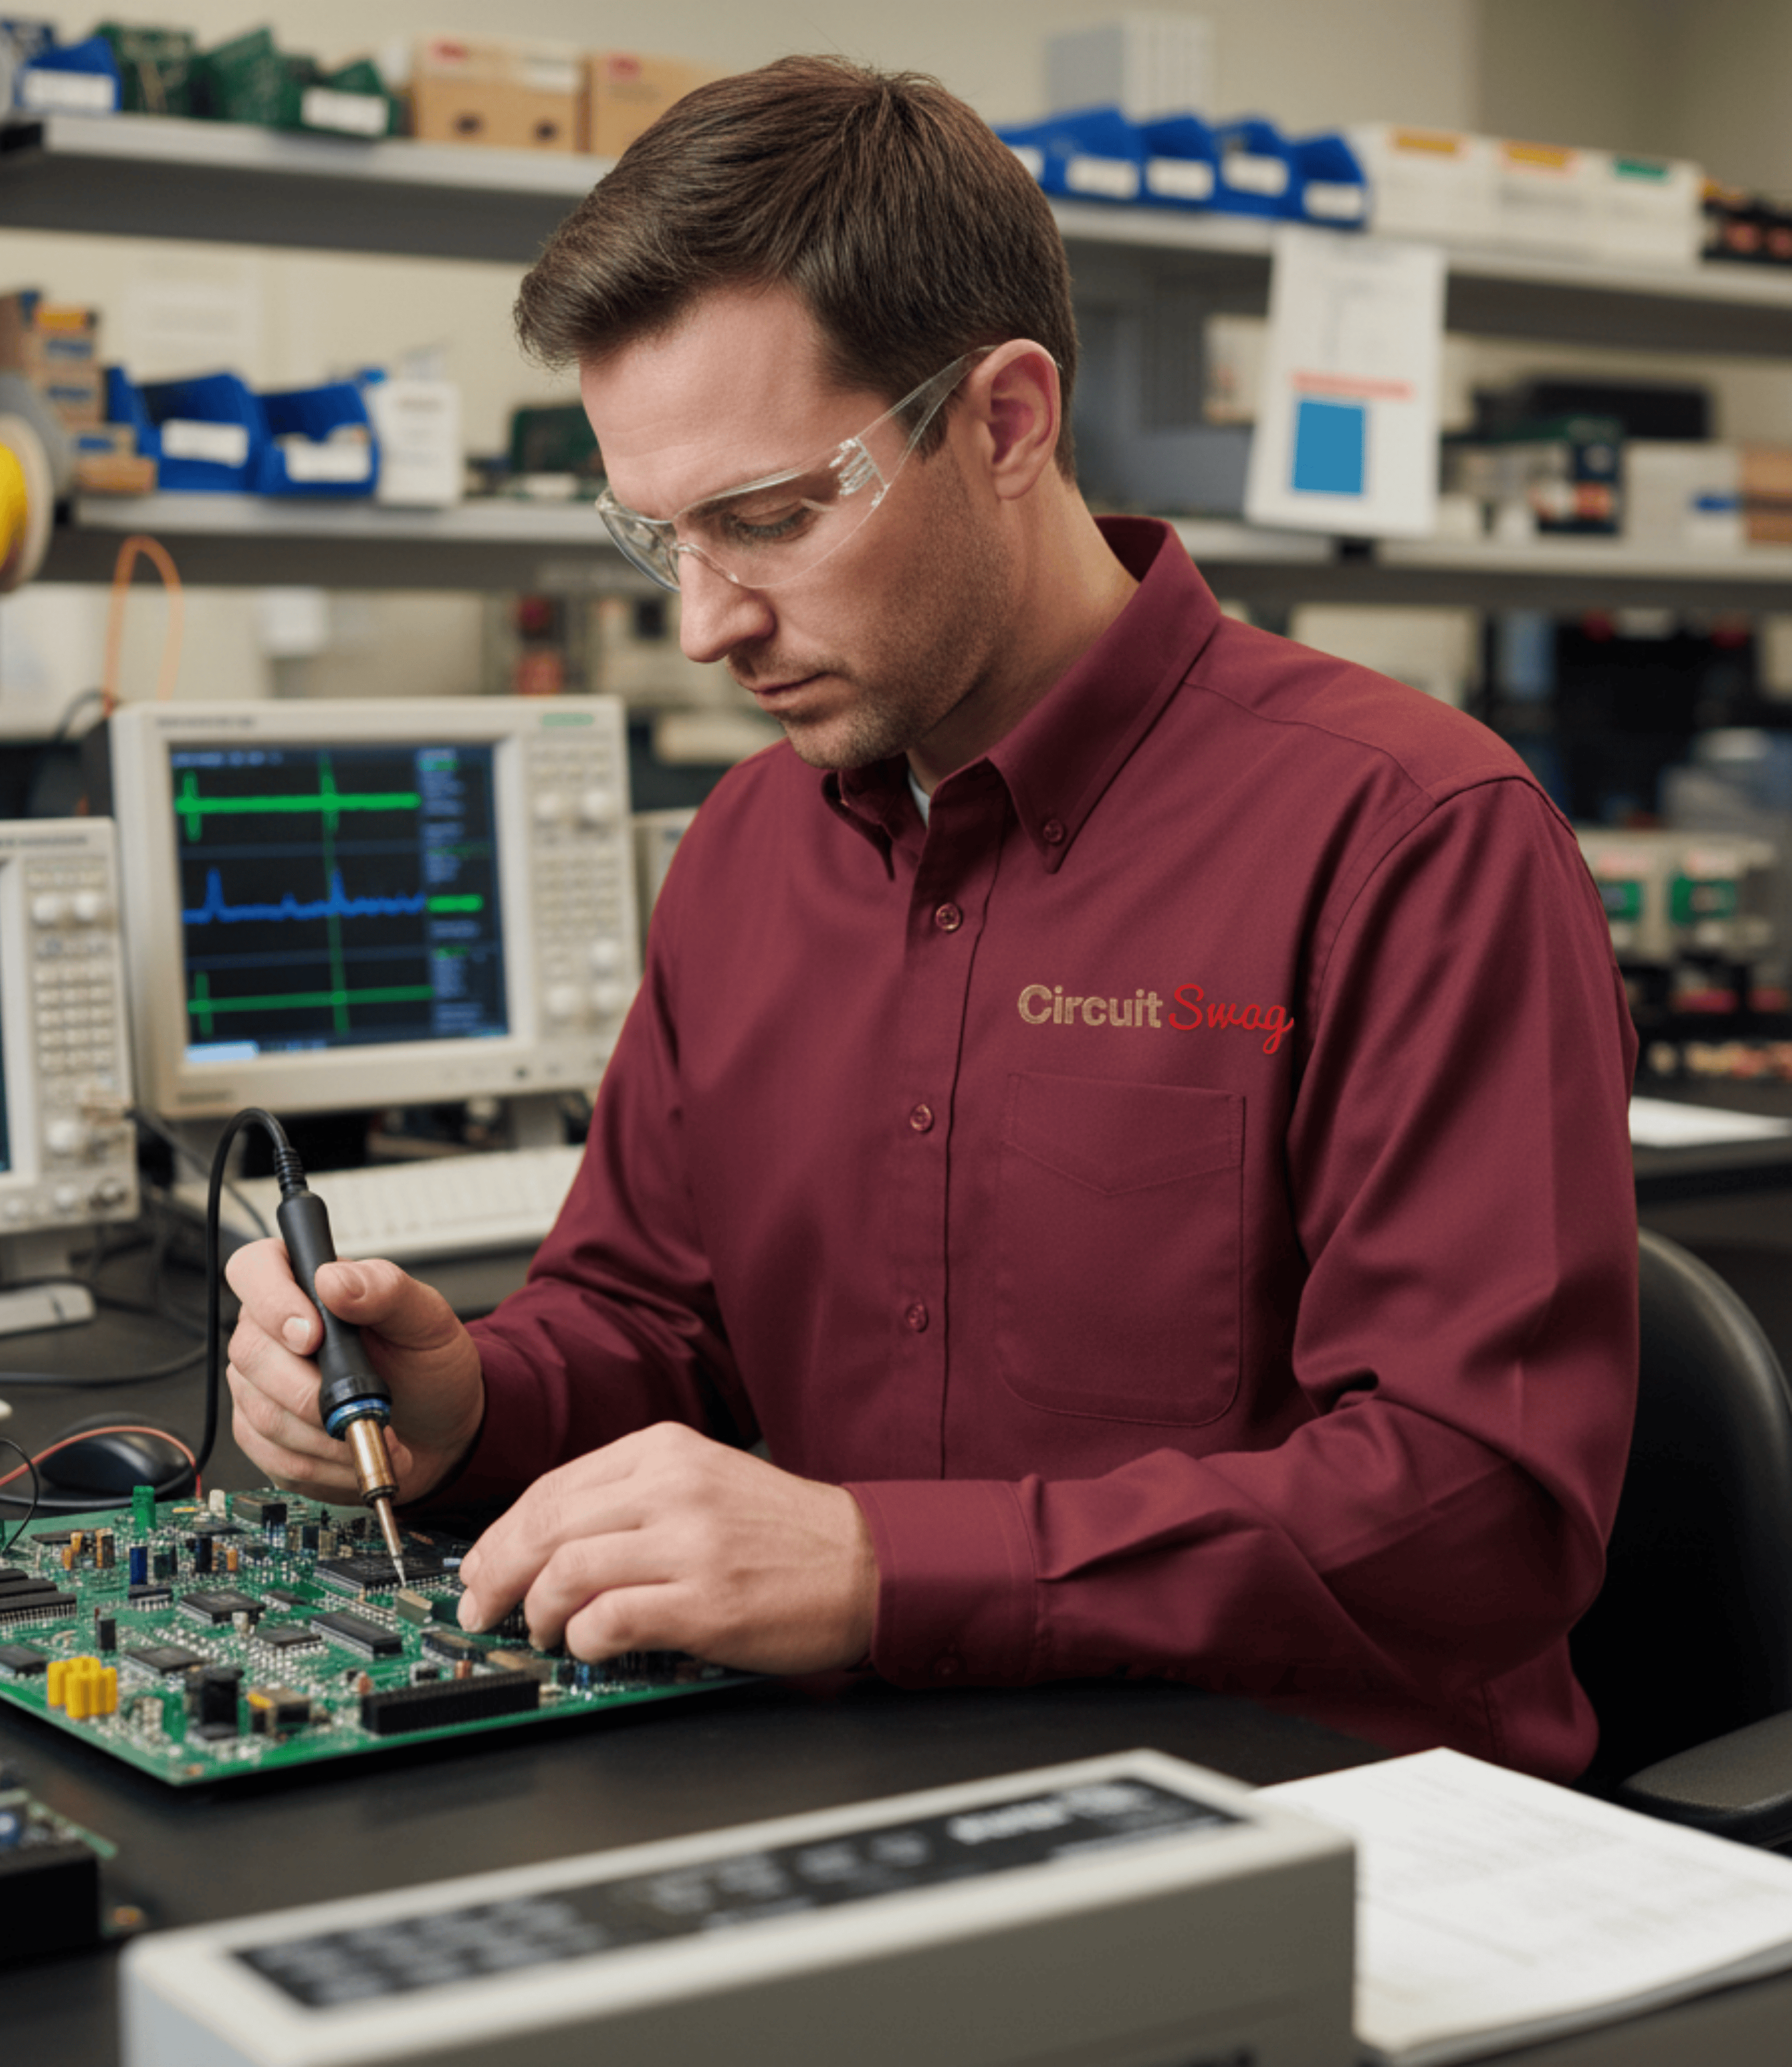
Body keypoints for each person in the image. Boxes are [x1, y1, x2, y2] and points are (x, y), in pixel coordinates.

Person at [224, 56, 1639, 1780]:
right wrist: (471, 1403)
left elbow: (1475, 1506)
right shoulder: (750, 845)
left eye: (764, 520)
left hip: (1320, 1836)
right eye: (655, 537)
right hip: (833, 1786)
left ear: (1006, 421)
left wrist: (885, 1569)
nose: (702, 624)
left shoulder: (1412, 840)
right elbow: (661, 1324)